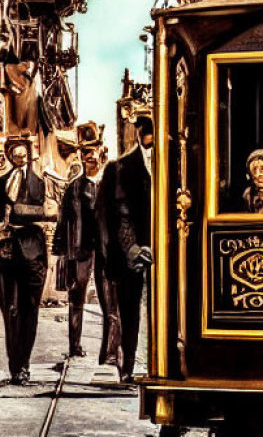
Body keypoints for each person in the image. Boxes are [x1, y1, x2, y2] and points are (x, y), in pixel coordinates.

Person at [52, 123, 121, 364]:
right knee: (76, 297)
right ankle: (74, 346)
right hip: (79, 248)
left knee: (110, 301)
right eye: (85, 152)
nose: (90, 156)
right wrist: (61, 251)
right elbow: (64, 219)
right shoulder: (74, 187)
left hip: (107, 250)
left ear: (102, 151)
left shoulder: (113, 183)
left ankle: (111, 352)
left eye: (93, 151)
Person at [0, 135, 53, 384]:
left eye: (22, 155)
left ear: (28, 155)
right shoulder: (1, 182)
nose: (19, 158)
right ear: (9, 156)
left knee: (29, 312)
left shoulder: (40, 182)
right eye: (14, 155)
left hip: (32, 254)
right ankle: (14, 367)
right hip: (6, 254)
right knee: (10, 312)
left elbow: (46, 210)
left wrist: (17, 214)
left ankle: (24, 365)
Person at [99, 115, 154, 384]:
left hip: (166, 253)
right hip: (130, 254)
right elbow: (114, 214)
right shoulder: (119, 168)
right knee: (128, 311)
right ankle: (128, 367)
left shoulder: (178, 162)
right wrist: (131, 248)